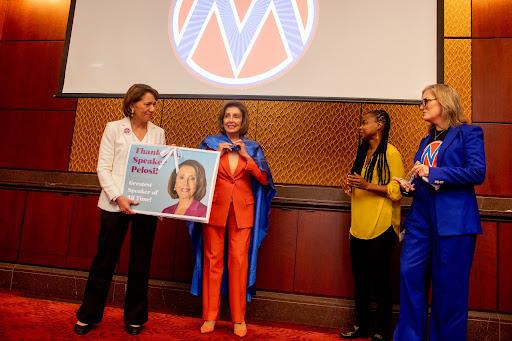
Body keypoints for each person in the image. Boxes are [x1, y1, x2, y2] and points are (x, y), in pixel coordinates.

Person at [393, 84, 486, 341]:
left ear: (443, 103)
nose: (421, 106)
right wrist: (410, 186)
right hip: (421, 220)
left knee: (449, 290)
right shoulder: (426, 140)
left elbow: (477, 172)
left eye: (425, 101)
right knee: (409, 275)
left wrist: (433, 173)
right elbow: (423, 178)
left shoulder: (468, 133)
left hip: (454, 223)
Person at [74, 84, 166, 336]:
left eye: (154, 104)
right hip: (114, 204)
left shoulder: (158, 133)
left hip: (145, 207)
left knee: (141, 262)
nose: (152, 109)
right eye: (147, 104)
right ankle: (88, 315)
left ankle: (135, 317)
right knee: (104, 261)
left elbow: (158, 170)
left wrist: (159, 203)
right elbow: (103, 167)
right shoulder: (113, 128)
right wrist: (118, 196)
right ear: (132, 105)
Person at [187, 100, 275, 338]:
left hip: (242, 212)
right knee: (212, 262)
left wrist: (247, 159)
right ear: (222, 120)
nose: (231, 120)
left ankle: (238, 319)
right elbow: (196, 175)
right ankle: (210, 316)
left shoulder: (254, 148)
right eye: (227, 116)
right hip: (214, 210)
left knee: (238, 264)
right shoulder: (210, 144)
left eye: (236, 116)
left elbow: (264, 180)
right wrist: (214, 156)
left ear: (242, 120)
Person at [340, 110, 404, 341]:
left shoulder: (391, 153)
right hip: (358, 227)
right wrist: (350, 187)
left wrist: (367, 186)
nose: (360, 127)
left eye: (364, 123)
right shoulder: (362, 152)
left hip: (382, 226)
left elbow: (398, 192)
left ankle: (383, 330)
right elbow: (358, 185)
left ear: (380, 125)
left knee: (380, 282)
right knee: (361, 280)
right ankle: (361, 326)